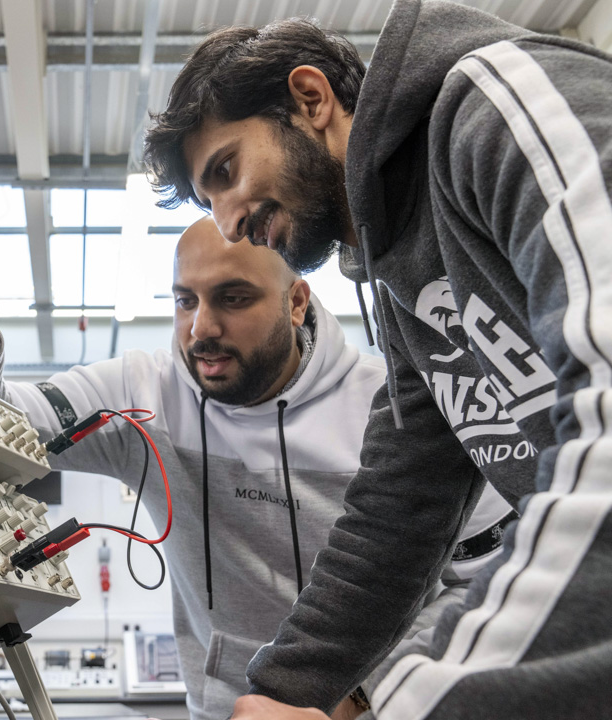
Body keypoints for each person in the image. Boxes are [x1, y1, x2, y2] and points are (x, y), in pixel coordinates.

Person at [142, 2, 612, 718]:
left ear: (311, 98)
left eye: (228, 170)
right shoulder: (403, 287)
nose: (229, 221)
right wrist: (283, 693)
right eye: (211, 200)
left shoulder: (497, 105)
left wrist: (406, 700)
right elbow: (400, 508)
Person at [0, 217, 512, 720]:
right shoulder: (140, 393)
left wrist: (357, 695)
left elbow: (486, 584)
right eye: (185, 300)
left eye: (233, 298)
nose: (201, 328)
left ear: (296, 301)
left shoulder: (401, 410)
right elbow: (16, 421)